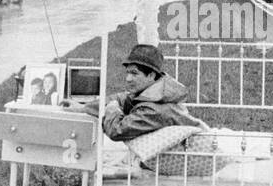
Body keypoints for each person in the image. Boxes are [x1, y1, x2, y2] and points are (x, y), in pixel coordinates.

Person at [62, 43, 204, 140]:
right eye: (128, 72)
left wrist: (112, 109)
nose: (128, 78)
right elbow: (120, 98)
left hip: (198, 153)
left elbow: (117, 130)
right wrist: (83, 108)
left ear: (152, 75)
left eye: (134, 73)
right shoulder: (152, 93)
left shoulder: (155, 109)